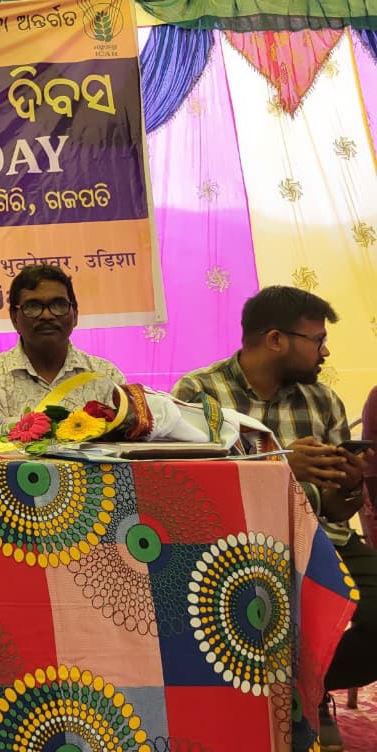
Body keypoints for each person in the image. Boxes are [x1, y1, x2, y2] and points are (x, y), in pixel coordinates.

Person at [173, 285, 376, 748]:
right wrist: (280, 463)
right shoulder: (199, 392)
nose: (325, 351)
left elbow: (341, 508)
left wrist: (348, 482)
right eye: (317, 339)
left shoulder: (322, 400)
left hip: (324, 538)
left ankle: (310, 686)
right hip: (234, 543)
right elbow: (190, 484)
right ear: (276, 339)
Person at [0, 264, 124, 423]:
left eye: (58, 305)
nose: (47, 315)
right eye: (33, 307)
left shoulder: (107, 376)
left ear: (75, 314)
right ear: (15, 318)